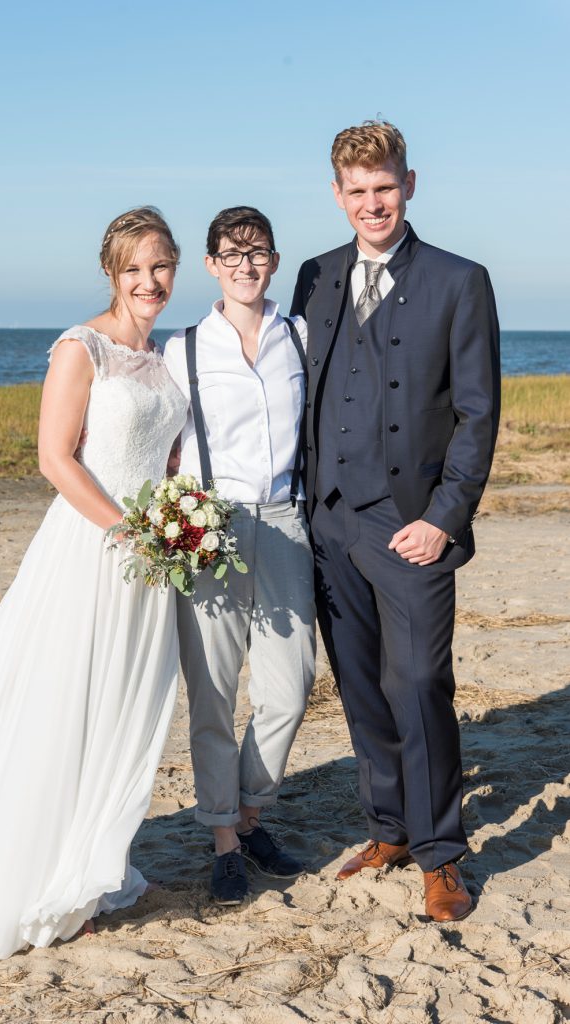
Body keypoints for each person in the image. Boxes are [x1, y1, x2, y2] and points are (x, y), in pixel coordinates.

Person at [0, 207, 188, 963]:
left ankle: (87, 866)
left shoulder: (168, 356)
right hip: (93, 549)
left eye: (160, 267)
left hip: (154, 558)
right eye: (134, 270)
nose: (149, 282)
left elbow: (171, 457)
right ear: (111, 274)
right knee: (59, 701)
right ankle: (30, 872)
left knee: (120, 708)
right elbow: (57, 460)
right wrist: (128, 532)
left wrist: (182, 522)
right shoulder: (80, 348)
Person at [290, 122, 500, 921]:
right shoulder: (314, 276)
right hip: (330, 522)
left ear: (409, 184)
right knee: (360, 687)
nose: (372, 203)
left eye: (385, 187)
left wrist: (445, 518)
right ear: (337, 194)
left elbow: (479, 414)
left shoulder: (460, 280)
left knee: (418, 685)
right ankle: (391, 828)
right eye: (357, 191)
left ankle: (442, 854)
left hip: (413, 525)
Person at [163, 207, 316, 906]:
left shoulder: (302, 338)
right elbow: (163, 446)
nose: (245, 264)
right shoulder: (184, 348)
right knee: (214, 697)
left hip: (286, 520)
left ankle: (250, 809)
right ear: (211, 265)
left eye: (257, 253)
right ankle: (227, 841)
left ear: (275, 261)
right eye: (231, 254)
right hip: (211, 528)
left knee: (290, 688)